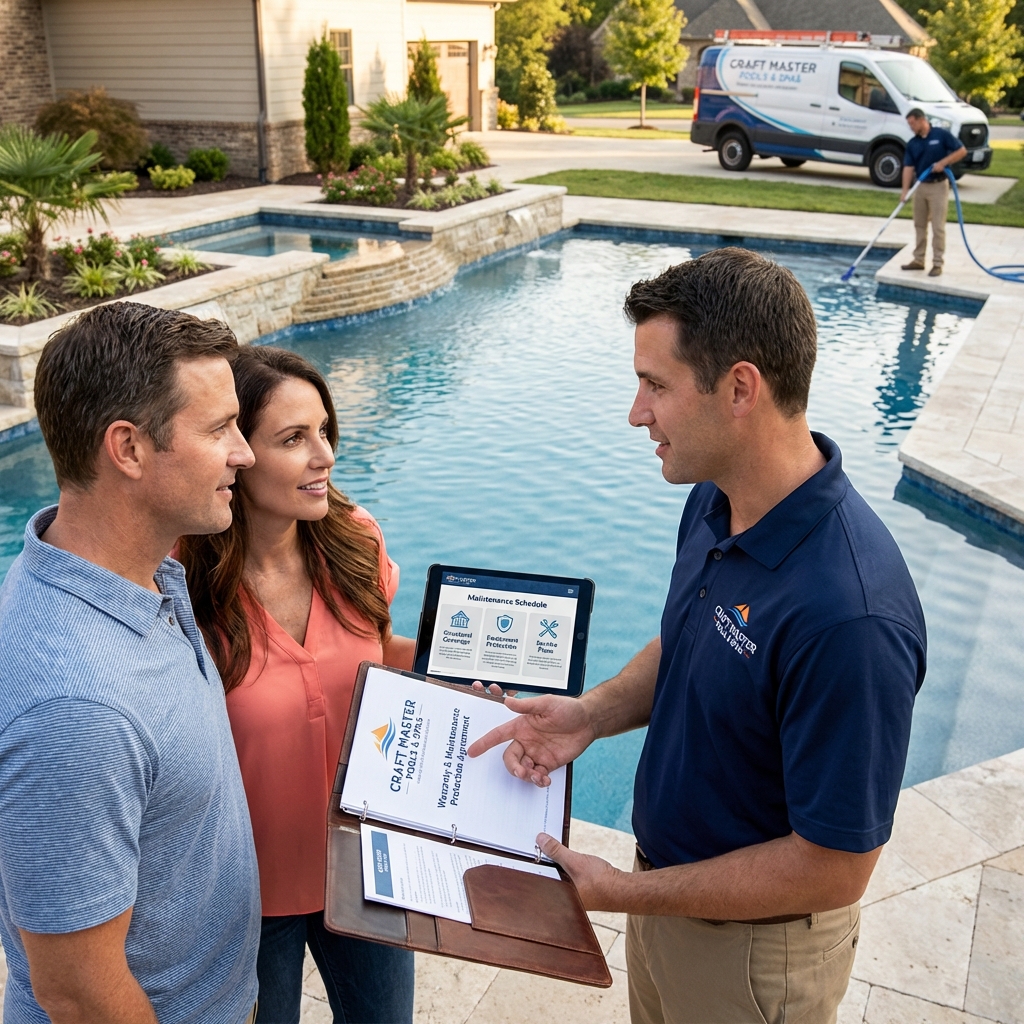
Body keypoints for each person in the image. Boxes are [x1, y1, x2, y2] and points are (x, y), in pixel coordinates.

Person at [470, 248, 926, 1024]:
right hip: (673, 907)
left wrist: (626, 892)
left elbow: (835, 866)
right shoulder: (719, 501)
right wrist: (592, 714)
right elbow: (694, 637)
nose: (636, 412)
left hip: (750, 959)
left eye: (656, 385)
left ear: (740, 388)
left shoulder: (851, 616)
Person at [0, 302, 261, 1024]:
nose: (244, 452)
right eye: (219, 429)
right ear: (129, 449)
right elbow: (78, 993)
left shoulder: (145, 578)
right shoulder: (77, 706)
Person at [177, 346, 416, 1024]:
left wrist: (455, 666)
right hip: (243, 898)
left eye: (324, 431)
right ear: (238, 453)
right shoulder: (180, 586)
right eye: (293, 439)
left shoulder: (356, 539)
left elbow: (376, 653)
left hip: (366, 869)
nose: (325, 456)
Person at [900, 107, 967, 277]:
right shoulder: (913, 143)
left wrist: (943, 163)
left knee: (938, 226)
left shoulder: (941, 135)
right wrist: (905, 191)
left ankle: (937, 263)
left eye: (912, 123)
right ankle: (918, 260)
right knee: (919, 224)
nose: (911, 127)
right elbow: (908, 167)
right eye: (909, 125)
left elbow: (961, 151)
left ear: (922, 120)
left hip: (938, 185)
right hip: (920, 187)